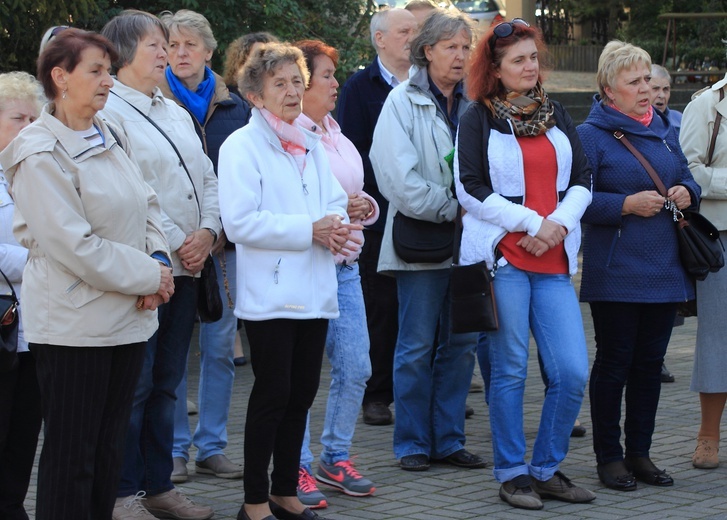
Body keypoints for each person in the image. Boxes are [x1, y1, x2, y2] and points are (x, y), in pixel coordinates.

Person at [0, 29, 175, 520]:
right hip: (75, 326)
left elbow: (148, 203)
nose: (106, 81)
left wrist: (160, 262)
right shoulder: (37, 152)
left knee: (107, 452)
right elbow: (73, 245)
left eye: (107, 69)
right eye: (95, 71)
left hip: (127, 316)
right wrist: (151, 277)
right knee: (72, 457)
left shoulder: (110, 130)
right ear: (60, 77)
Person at [455, 18, 594, 510]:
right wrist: (534, 224)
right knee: (510, 370)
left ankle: (546, 468)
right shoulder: (477, 117)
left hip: (554, 260)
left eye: (533, 57)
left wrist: (554, 224)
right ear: (495, 68)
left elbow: (583, 177)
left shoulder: (557, 114)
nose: (530, 67)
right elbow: (469, 187)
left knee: (573, 370)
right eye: (518, 60)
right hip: (505, 260)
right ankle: (512, 472)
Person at [218, 42, 359, 520]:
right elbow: (239, 224)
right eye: (279, 83)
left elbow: (335, 199)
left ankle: (284, 493)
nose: (293, 91)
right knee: (271, 395)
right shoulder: (241, 145)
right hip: (271, 296)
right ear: (255, 96)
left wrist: (336, 223)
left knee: (300, 395)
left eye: (297, 81)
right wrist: (309, 229)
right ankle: (254, 502)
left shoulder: (311, 140)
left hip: (315, 290)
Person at [100, 10, 220, 520]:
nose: (166, 54)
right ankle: (122, 492)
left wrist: (209, 233)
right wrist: (177, 242)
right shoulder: (111, 112)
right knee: (137, 384)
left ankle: (158, 486)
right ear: (124, 53)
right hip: (148, 269)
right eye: (155, 45)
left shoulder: (172, 109)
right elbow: (137, 194)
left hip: (190, 267)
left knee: (169, 381)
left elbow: (207, 178)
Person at [577, 40, 700, 492]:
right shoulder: (590, 135)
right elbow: (576, 201)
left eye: (648, 79)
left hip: (666, 267)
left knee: (650, 365)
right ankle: (608, 457)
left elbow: (684, 174)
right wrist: (624, 204)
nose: (647, 89)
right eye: (635, 82)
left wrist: (688, 191)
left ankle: (640, 453)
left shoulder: (665, 127)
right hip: (617, 270)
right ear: (610, 90)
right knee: (614, 364)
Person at [370, 9, 484, 473]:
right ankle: (413, 443)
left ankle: (449, 439)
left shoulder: (478, 104)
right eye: (451, 47)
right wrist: (454, 206)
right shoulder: (401, 102)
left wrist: (479, 209)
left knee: (461, 346)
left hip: (472, 245)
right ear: (427, 51)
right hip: (421, 243)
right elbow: (397, 180)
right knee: (415, 347)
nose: (460, 56)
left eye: (465, 47)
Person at [158, 8, 251, 485]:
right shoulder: (151, 103)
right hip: (172, 249)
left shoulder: (235, 105)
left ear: (210, 51)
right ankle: (173, 449)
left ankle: (212, 445)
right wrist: (184, 239)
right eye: (171, 45)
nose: (179, 53)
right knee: (174, 352)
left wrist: (218, 235)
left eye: (188, 45)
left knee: (218, 348)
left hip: (225, 249)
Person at [293, 39, 379, 510]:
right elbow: (291, 203)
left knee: (357, 365)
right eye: (325, 75)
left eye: (333, 74)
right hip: (309, 268)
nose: (334, 83)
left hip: (346, 267)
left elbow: (360, 194)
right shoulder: (291, 134)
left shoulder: (335, 130)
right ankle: (297, 465)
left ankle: (336, 458)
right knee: (303, 372)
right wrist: (335, 208)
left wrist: (366, 206)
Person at [337, 7, 417, 427]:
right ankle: (377, 395)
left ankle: (421, 392)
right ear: (380, 39)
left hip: (426, 216)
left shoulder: (429, 85)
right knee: (382, 307)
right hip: (379, 218)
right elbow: (352, 155)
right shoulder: (358, 87)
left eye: (416, 31)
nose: (413, 37)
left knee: (423, 309)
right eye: (405, 31)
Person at [0, 70, 43, 520]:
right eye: (18, 119)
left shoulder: (39, 173)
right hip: (3, 323)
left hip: (38, 327)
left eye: (35, 119)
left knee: (25, 431)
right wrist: (43, 263)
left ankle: (13, 508)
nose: (28, 128)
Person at [680, 67, 727, 470]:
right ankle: (708, 435)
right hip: (720, 238)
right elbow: (688, 172)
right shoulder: (707, 105)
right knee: (717, 336)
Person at [222, 32, 279, 100]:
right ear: (241, 63)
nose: (265, 62)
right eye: (258, 56)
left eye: (269, 56)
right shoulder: (228, 98)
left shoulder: (288, 92)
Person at [651, 64, 682, 134]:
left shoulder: (680, 119)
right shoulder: (635, 124)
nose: (662, 95)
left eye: (666, 89)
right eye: (655, 89)